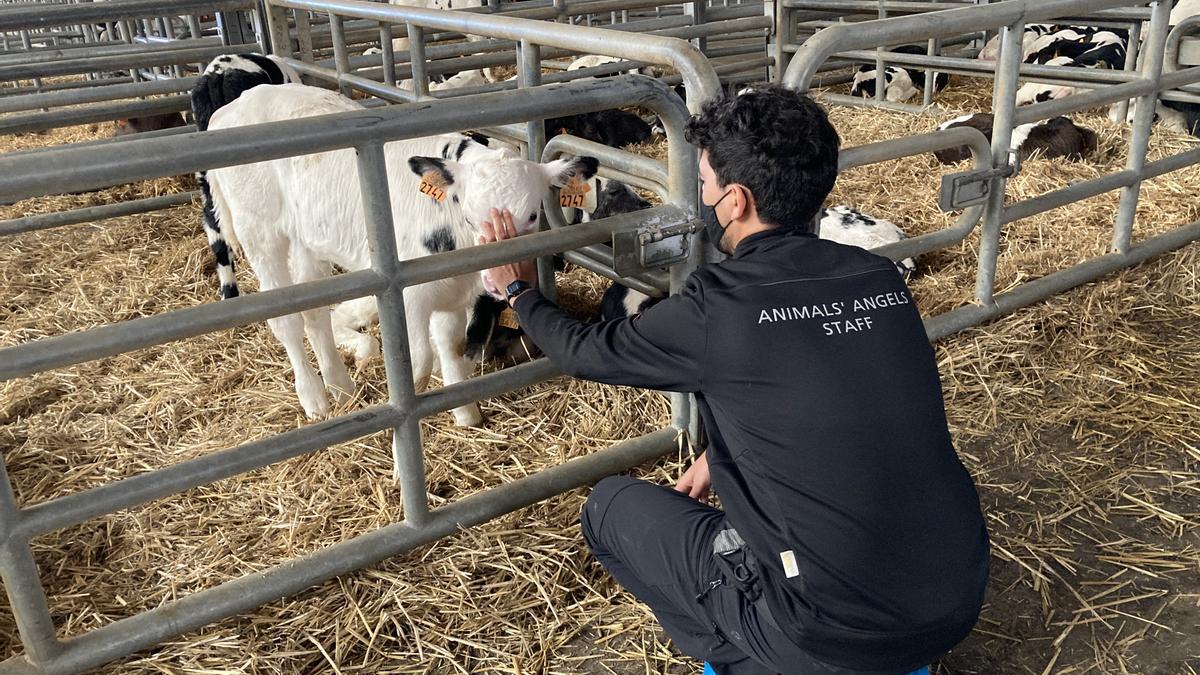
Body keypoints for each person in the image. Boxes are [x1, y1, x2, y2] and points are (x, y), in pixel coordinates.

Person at [480, 84, 989, 674]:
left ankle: (753, 657)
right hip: (952, 603)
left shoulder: (721, 304)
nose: (701, 200)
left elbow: (586, 351)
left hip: (826, 632)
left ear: (737, 201)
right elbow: (812, 387)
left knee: (609, 509)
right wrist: (722, 458)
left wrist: (517, 288)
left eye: (703, 186)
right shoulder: (880, 280)